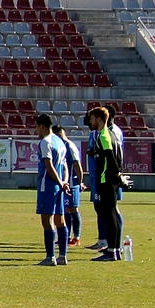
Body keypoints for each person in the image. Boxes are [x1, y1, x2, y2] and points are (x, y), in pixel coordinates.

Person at [85, 107, 129, 262]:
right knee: (111, 215)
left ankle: (112, 251)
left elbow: (110, 157)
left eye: (91, 119)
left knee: (110, 216)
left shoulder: (104, 135)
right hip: (110, 180)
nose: (90, 122)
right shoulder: (109, 134)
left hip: (106, 180)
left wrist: (117, 175)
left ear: (98, 119)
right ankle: (114, 250)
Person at [34, 114, 70, 267]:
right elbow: (65, 166)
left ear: (42, 126)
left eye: (36, 127)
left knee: (47, 220)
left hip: (47, 185)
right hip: (59, 186)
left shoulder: (45, 142)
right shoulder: (59, 141)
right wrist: (64, 182)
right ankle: (63, 255)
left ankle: (50, 257)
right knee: (60, 220)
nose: (36, 131)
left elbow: (49, 166)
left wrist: (59, 181)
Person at [57, 124, 84, 248]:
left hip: (72, 183)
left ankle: (77, 237)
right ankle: (66, 236)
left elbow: (77, 165)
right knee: (66, 209)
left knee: (73, 209)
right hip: (64, 183)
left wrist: (80, 182)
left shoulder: (69, 146)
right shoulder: (60, 146)